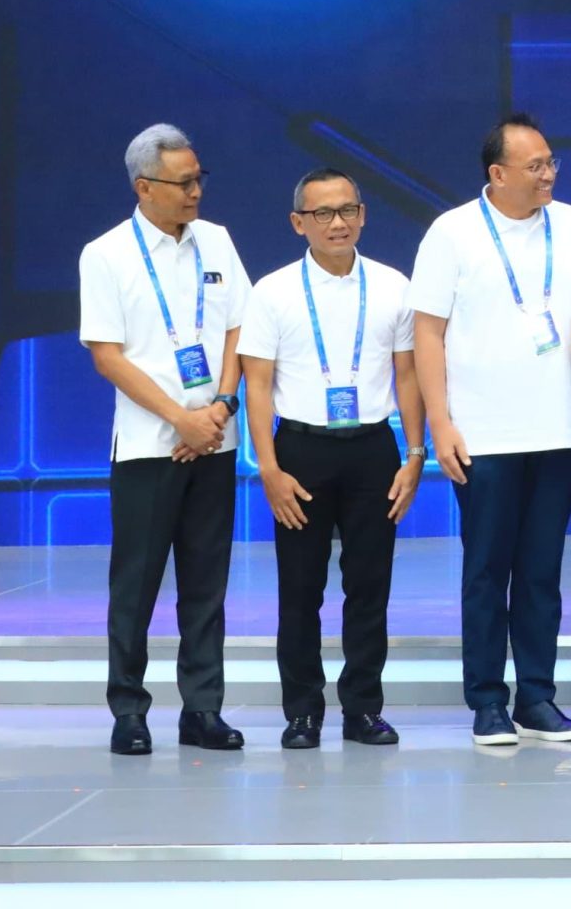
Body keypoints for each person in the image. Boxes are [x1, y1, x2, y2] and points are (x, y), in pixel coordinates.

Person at [410, 113, 571, 747]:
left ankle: (537, 698)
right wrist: (440, 422)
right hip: (482, 435)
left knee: (542, 573)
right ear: (497, 174)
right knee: (487, 572)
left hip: (556, 430)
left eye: (551, 163)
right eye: (535, 166)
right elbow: (427, 333)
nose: (549, 175)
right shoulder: (452, 232)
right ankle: (488, 701)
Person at [238, 168, 424, 748]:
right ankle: (302, 712)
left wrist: (415, 453)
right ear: (299, 223)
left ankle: (364, 708)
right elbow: (257, 386)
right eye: (322, 213)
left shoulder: (393, 285)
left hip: (374, 449)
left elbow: (408, 376)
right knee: (300, 590)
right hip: (301, 451)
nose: (337, 223)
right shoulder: (272, 292)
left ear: (363, 215)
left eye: (347, 210)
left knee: (370, 587)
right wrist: (268, 469)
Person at [79, 123, 249, 756]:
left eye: (199, 179)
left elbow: (240, 329)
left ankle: (203, 709)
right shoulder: (106, 254)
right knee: (137, 584)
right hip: (150, 446)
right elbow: (107, 356)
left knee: (206, 583)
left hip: (216, 440)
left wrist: (220, 407)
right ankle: (129, 710)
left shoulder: (217, 240)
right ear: (144, 187)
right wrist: (181, 418)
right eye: (183, 183)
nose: (195, 192)